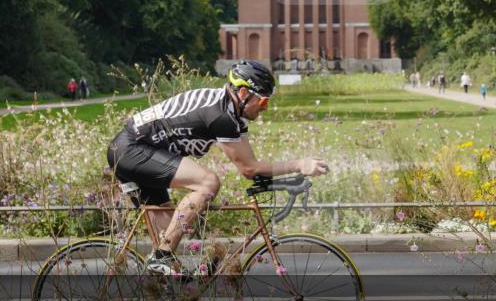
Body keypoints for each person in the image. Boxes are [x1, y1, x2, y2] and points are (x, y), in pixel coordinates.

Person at [106, 60, 329, 275]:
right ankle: (161, 258)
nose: (265, 108)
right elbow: (249, 169)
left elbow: (251, 165)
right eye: (262, 102)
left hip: (138, 151)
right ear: (243, 93)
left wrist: (282, 175)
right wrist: (299, 164)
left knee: (169, 253)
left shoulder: (232, 114)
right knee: (209, 182)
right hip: (131, 150)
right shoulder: (220, 114)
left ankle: (159, 297)